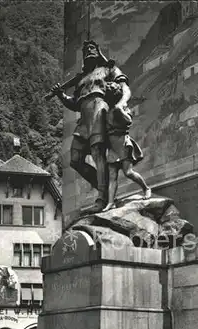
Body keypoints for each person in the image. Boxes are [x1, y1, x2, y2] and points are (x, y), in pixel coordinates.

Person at [51, 40, 151, 212]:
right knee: (75, 160)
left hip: (100, 109)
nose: (89, 51)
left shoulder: (108, 69)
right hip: (83, 117)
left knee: (98, 153)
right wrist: (61, 95)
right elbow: (74, 103)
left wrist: (120, 104)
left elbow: (125, 89)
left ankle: (102, 199)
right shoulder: (81, 79)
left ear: (98, 51)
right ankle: (102, 188)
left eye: (92, 48)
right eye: (86, 50)